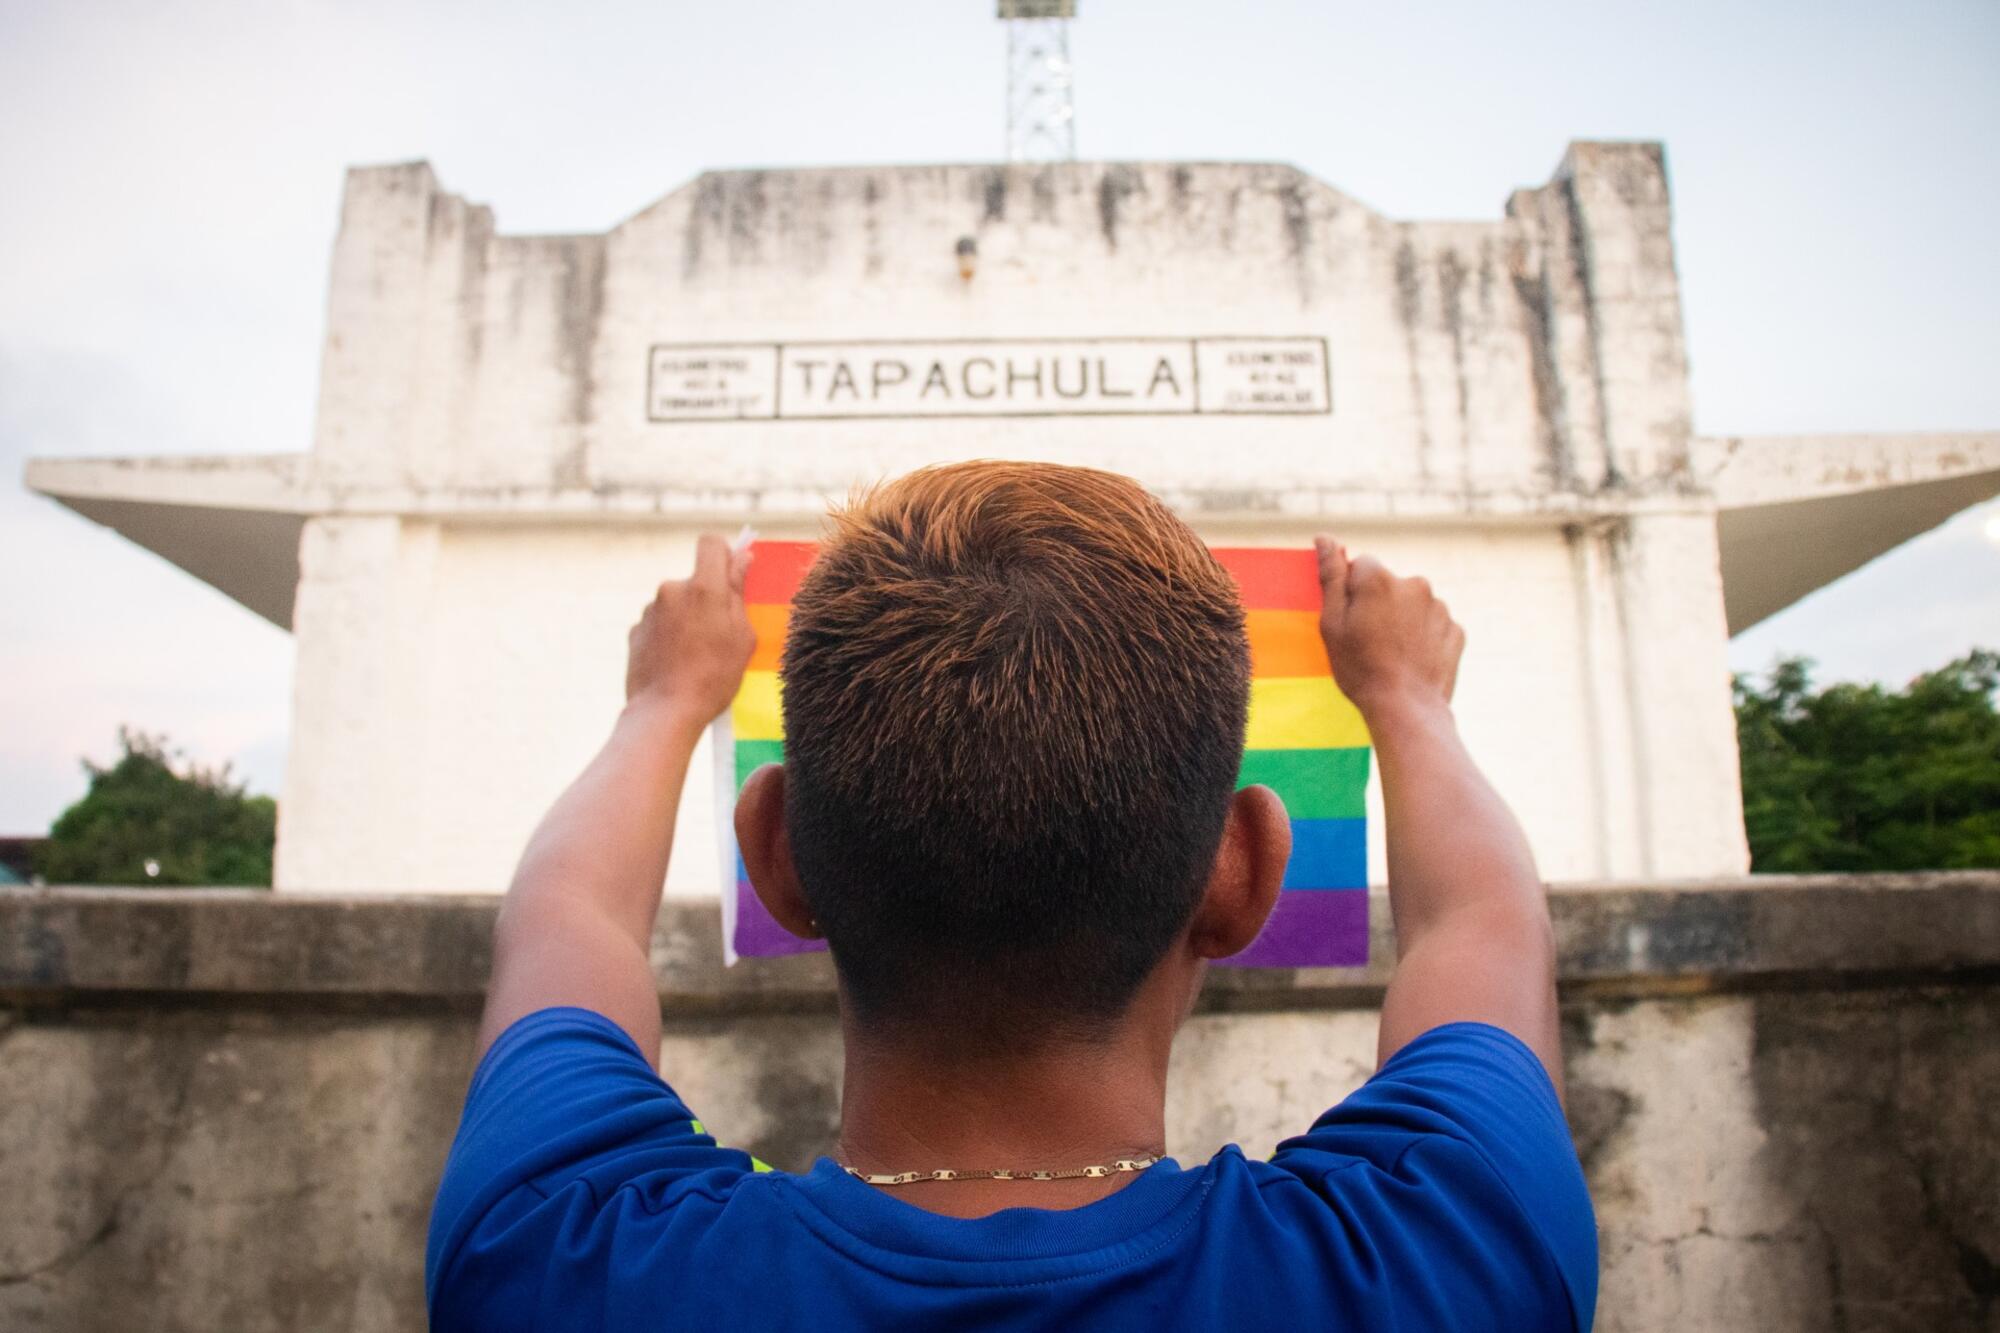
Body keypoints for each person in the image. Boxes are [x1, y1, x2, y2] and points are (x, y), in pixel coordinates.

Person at [426, 461, 1597, 1330]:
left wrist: (662, 701)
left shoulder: (555, 1256)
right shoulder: (1444, 1253)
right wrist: (1407, 699)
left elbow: (565, 921)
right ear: (1239, 876)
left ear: (774, 859)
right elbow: (1482, 925)